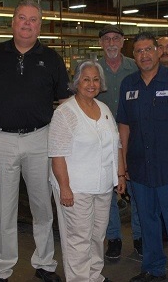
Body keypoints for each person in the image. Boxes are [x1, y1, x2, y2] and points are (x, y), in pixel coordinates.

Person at [0, 0, 71, 282]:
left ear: (40, 25)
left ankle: (45, 263)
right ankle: (1, 269)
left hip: (41, 139)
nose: (27, 24)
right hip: (1, 140)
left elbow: (65, 102)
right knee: (2, 209)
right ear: (13, 23)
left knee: (42, 206)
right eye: (22, 18)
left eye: (33, 19)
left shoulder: (51, 58)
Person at [117, 32, 168, 282]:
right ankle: (153, 269)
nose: (144, 55)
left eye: (148, 49)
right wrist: (122, 164)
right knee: (147, 221)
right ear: (134, 56)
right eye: (139, 51)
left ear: (158, 51)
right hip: (140, 167)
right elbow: (124, 126)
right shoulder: (128, 84)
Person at [49, 60, 126, 282]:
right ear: (76, 82)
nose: (91, 84)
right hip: (76, 187)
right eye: (86, 79)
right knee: (78, 239)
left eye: (95, 79)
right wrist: (64, 188)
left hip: (102, 187)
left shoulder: (103, 109)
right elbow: (57, 154)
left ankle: (94, 276)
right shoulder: (65, 112)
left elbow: (116, 143)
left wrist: (120, 174)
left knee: (97, 236)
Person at [95, 24, 141, 260]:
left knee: (136, 189)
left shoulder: (135, 67)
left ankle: (140, 238)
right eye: (107, 39)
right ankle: (113, 238)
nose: (111, 43)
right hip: (101, 141)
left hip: (133, 138)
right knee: (107, 192)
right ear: (101, 43)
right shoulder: (92, 70)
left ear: (123, 42)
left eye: (116, 38)